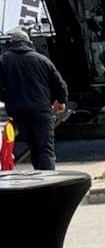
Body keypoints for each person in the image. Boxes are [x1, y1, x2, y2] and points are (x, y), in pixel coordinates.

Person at [0, 27, 68, 170]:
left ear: (11, 43)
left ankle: (39, 176)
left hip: (18, 112)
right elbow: (59, 83)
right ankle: (48, 181)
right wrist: (61, 101)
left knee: (33, 146)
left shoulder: (3, 60)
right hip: (41, 110)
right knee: (45, 148)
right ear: (29, 42)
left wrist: (7, 98)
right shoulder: (42, 60)